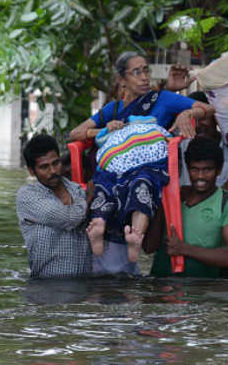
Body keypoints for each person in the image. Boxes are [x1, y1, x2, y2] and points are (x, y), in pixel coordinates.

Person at [69, 52, 215, 275]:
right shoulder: (113, 109)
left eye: (146, 70)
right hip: (115, 171)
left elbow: (208, 108)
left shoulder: (162, 99)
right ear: (122, 80)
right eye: (137, 72)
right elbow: (75, 134)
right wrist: (104, 129)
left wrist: (187, 113)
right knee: (103, 185)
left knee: (139, 182)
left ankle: (131, 240)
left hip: (146, 171)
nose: (145, 77)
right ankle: (102, 235)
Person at [144, 137, 228, 278]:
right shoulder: (172, 197)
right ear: (187, 168)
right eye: (194, 169)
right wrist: (164, 204)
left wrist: (183, 249)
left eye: (208, 170)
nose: (200, 176)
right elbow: (149, 247)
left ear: (219, 170)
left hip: (202, 293)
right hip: (161, 288)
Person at [16, 134, 93, 278]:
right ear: (32, 171)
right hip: (46, 287)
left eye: (56, 163)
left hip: (82, 286)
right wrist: (89, 196)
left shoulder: (76, 190)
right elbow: (70, 218)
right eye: (44, 167)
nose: (53, 171)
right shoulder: (27, 196)